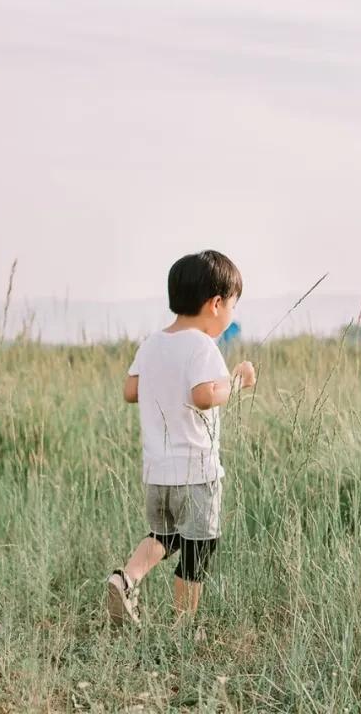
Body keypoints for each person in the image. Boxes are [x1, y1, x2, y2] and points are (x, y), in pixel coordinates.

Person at [106, 250, 256, 634]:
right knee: (198, 547)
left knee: (165, 535)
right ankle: (182, 627)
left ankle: (126, 578)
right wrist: (237, 382)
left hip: (157, 472)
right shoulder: (203, 346)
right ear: (216, 303)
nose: (232, 315)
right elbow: (205, 395)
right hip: (196, 472)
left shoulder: (153, 343)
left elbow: (130, 389)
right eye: (233, 305)